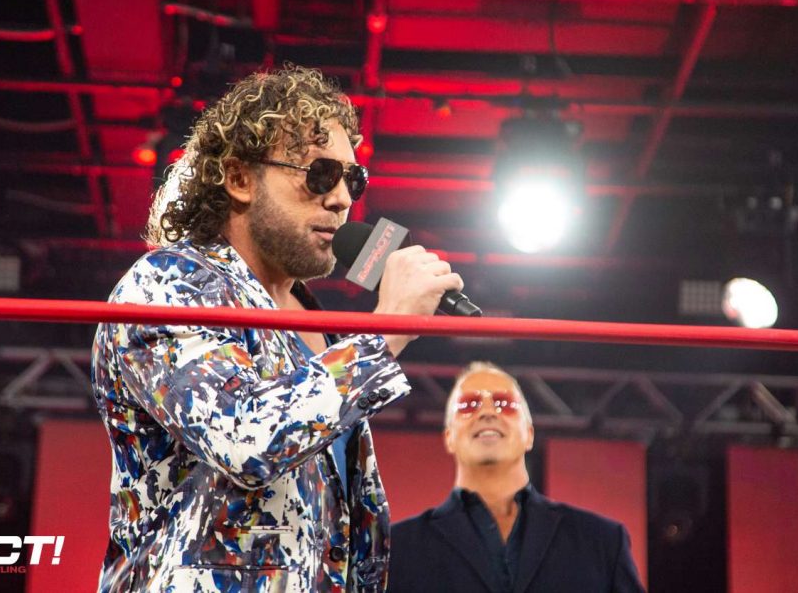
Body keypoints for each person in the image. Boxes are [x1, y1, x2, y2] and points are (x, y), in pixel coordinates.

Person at [91, 66, 463, 592]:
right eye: (319, 174)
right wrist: (387, 332)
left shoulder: (315, 322)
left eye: (352, 180)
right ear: (240, 179)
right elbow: (246, 441)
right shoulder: (168, 284)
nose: (341, 198)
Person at [388, 361, 645, 593]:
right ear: (449, 437)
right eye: (468, 405)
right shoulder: (398, 549)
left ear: (529, 434)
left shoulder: (601, 541)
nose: (487, 412)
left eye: (504, 404)